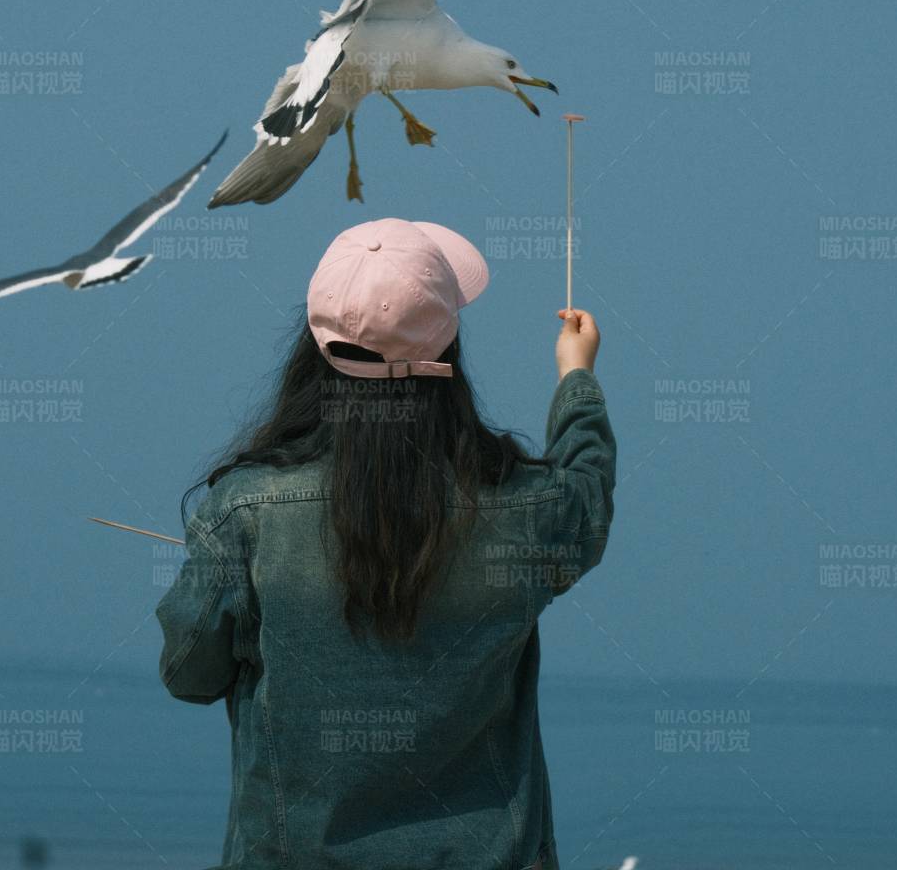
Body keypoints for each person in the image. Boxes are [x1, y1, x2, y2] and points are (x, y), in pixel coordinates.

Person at [156, 217, 617, 870]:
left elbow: (189, 674)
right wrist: (576, 379)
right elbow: (586, 493)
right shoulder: (529, 510)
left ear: (314, 347)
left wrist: (228, 579)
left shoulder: (246, 509)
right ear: (446, 347)